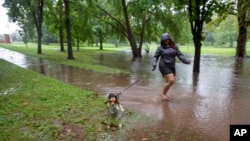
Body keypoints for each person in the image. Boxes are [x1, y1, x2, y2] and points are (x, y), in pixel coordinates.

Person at [152, 33, 191, 101]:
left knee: (168, 81)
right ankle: (162, 94)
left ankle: (163, 95)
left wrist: (186, 61)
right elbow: (156, 56)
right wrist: (154, 64)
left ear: (169, 39)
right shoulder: (160, 48)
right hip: (163, 65)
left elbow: (180, 55)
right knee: (171, 80)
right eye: (164, 40)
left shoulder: (174, 47)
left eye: (167, 39)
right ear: (162, 40)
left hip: (172, 66)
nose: (166, 41)